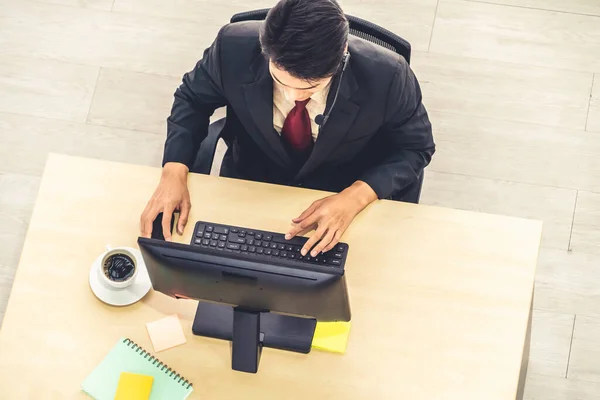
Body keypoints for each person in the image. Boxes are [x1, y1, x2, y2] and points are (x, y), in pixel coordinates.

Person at [140, 0, 435, 257]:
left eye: (311, 87)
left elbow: (416, 147)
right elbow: (192, 99)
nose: (294, 96)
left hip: (339, 191)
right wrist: (173, 172)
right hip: (252, 181)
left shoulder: (389, 76)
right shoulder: (232, 47)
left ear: (343, 53)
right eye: (281, 80)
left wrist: (355, 196)